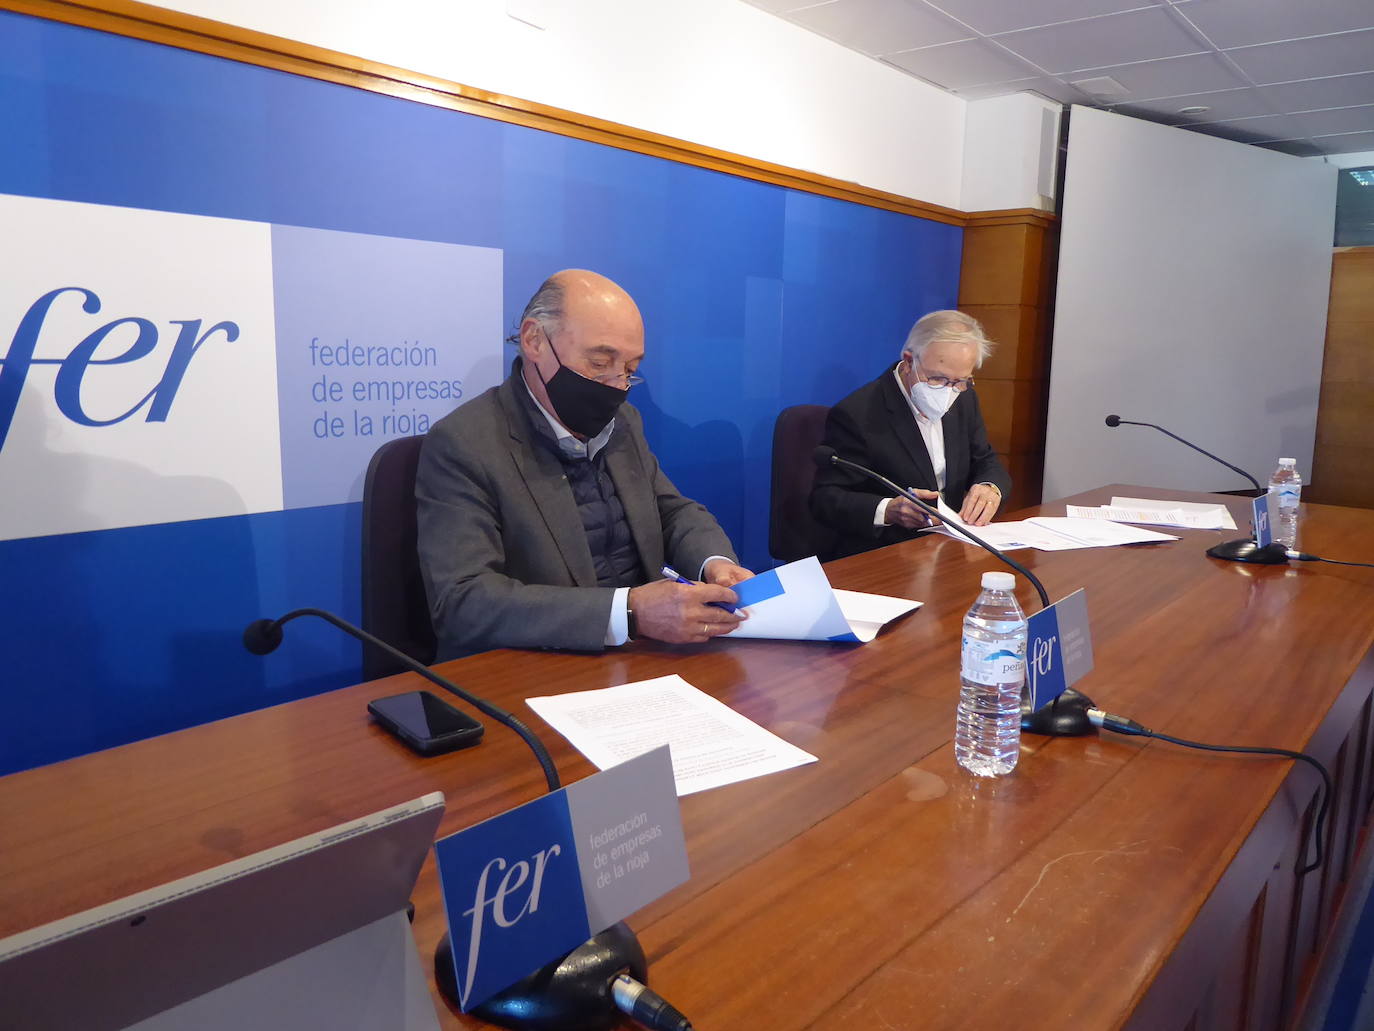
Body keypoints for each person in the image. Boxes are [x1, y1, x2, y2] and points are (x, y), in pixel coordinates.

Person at [417, 269, 752, 660]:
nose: (615, 386)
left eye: (629, 370)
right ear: (534, 340)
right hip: (540, 665)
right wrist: (628, 613)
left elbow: (670, 510)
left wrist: (715, 563)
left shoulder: (623, 423)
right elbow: (462, 601)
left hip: (645, 658)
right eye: (599, 362)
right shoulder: (464, 443)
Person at [810, 309, 1011, 560]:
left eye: (960, 381)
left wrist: (989, 487)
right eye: (937, 379)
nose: (949, 392)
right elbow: (826, 498)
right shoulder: (858, 413)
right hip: (888, 554)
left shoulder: (964, 398)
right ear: (908, 361)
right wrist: (890, 509)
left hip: (953, 546)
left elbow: (986, 459)